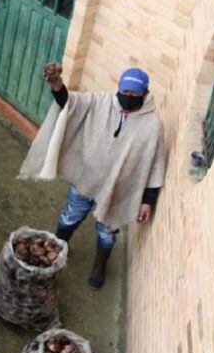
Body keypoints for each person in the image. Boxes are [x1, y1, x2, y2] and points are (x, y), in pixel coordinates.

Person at [19, 63, 167, 289]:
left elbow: (154, 162)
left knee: (107, 231)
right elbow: (71, 103)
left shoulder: (152, 125)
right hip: (86, 180)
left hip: (118, 190)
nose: (128, 97)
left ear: (145, 94)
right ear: (119, 88)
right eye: (124, 91)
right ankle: (57, 249)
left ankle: (100, 264)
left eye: (134, 94)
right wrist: (58, 87)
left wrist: (148, 200)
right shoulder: (102, 102)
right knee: (70, 216)